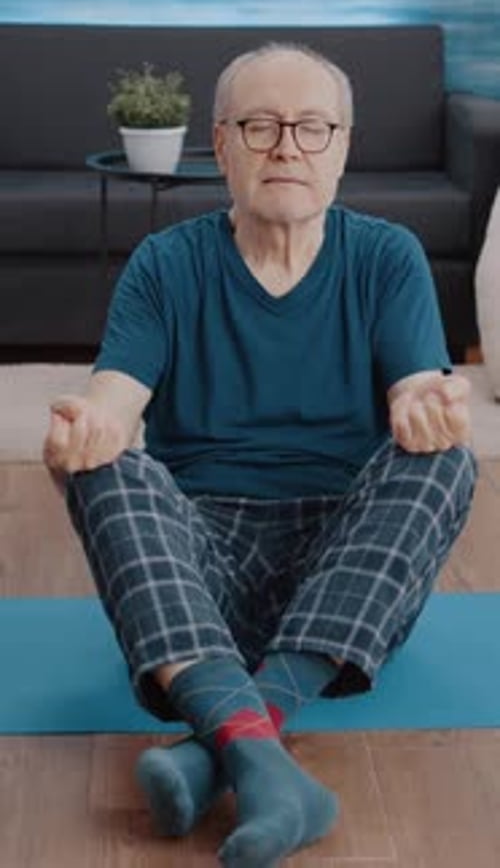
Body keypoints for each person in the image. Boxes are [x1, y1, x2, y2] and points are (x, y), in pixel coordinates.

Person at [43, 42, 477, 867]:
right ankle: (271, 767)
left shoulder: (386, 258)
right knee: (110, 469)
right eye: (261, 125)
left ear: (343, 146)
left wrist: (430, 410)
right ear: (223, 141)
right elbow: (113, 399)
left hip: (348, 567)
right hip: (202, 562)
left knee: (446, 463)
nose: (286, 146)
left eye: (313, 128)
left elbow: (417, 389)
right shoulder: (166, 266)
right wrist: (82, 433)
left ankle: (225, 752)